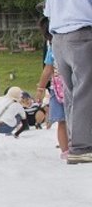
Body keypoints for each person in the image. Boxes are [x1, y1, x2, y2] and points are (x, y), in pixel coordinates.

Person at [44, 0, 92, 164]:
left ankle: (76, 142)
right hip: (83, 33)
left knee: (73, 93)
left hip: (59, 39)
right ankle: (83, 146)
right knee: (86, 89)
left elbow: (48, 11)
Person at [36, 16, 70, 159]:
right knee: (77, 118)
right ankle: (78, 145)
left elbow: (47, 70)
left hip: (57, 88)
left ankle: (65, 150)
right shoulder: (69, 43)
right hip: (71, 85)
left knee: (62, 121)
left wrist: (40, 89)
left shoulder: (51, 47)